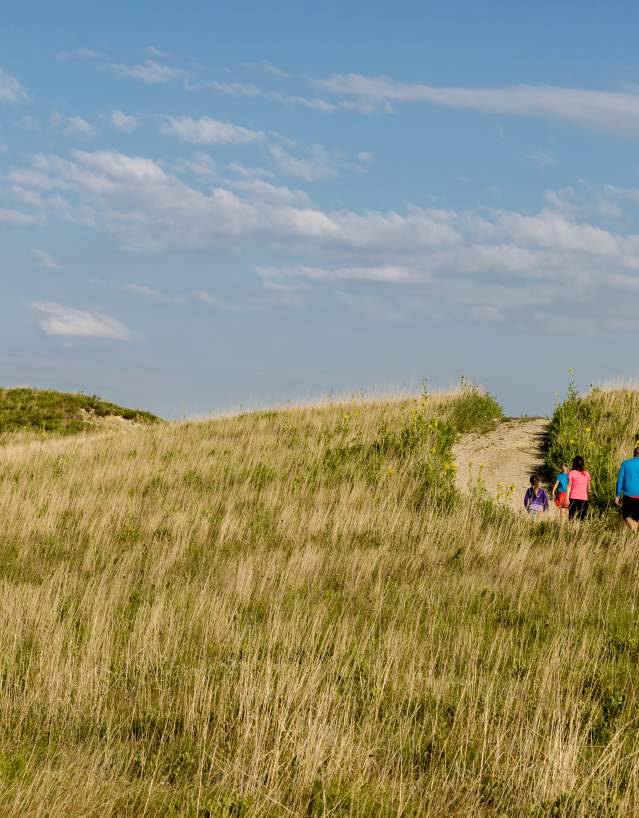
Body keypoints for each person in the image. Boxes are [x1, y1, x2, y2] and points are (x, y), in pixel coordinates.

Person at [614, 446, 639, 531]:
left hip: (629, 495)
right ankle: (634, 533)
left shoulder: (626, 464)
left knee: (626, 515)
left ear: (633, 454)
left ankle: (633, 530)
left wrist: (617, 495)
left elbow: (620, 480)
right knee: (636, 518)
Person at [567, 455, 591, 521]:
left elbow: (569, 486)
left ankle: (570, 530)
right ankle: (578, 530)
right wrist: (588, 497)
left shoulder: (571, 473)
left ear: (574, 464)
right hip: (583, 498)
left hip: (573, 497)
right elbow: (589, 489)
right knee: (581, 518)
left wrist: (566, 498)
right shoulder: (586, 473)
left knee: (571, 517)